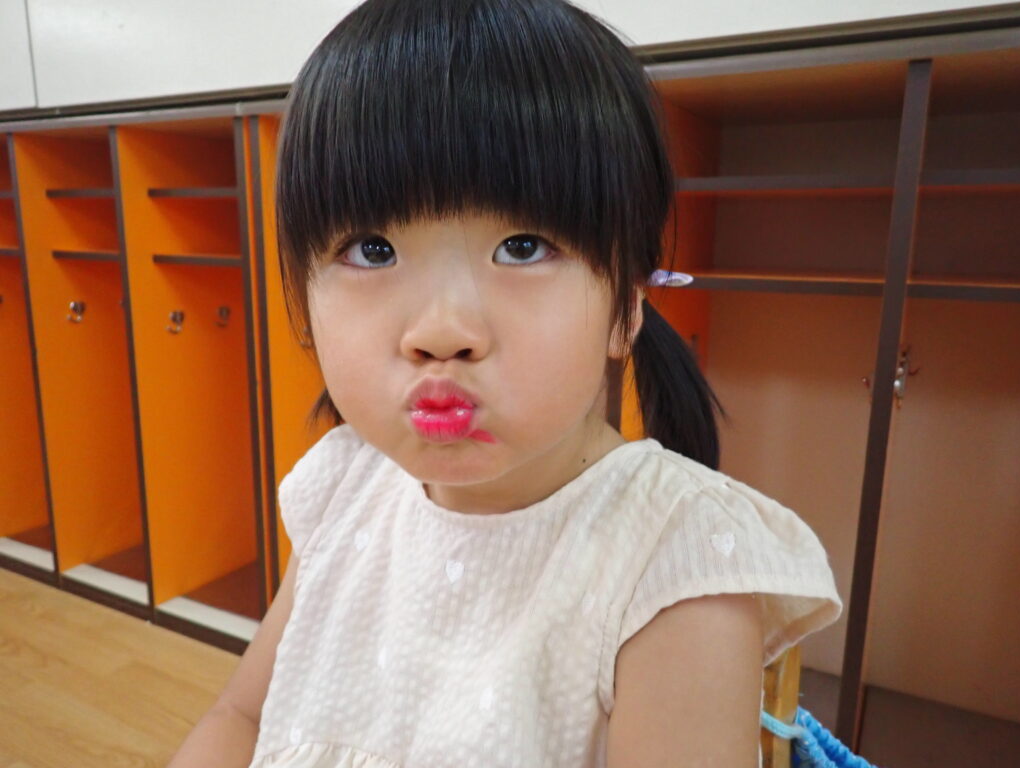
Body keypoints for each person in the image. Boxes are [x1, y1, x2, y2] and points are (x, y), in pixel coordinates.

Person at [168, 0, 843, 766]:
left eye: (522, 247)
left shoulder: (673, 568)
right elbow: (241, 716)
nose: (440, 330)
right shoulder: (345, 489)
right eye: (373, 249)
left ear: (626, 307)